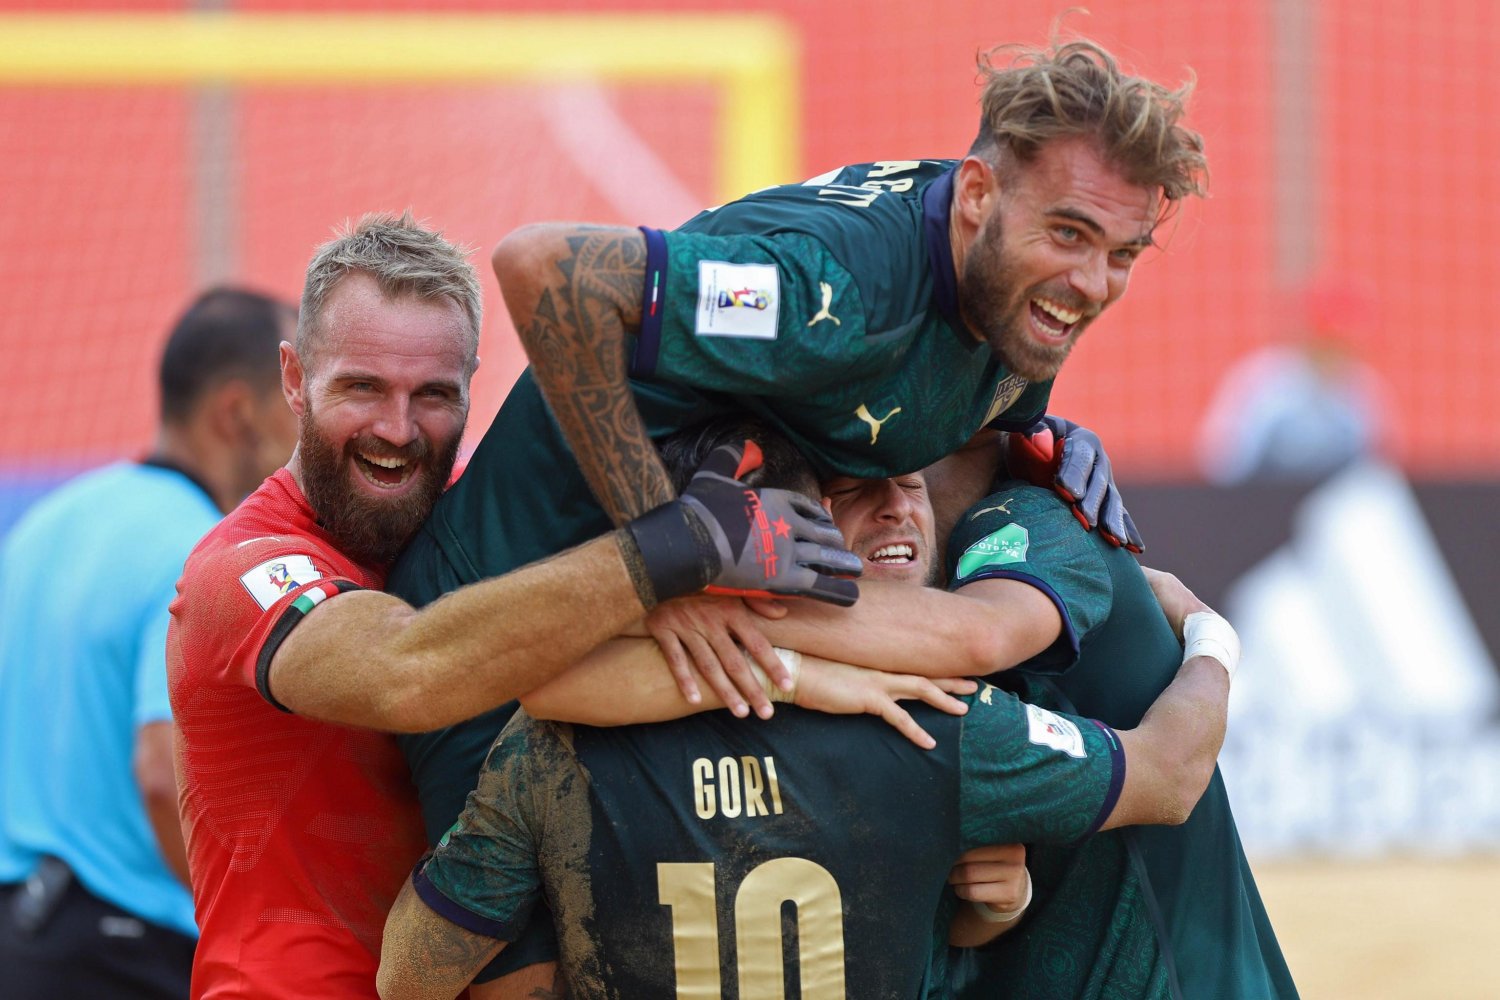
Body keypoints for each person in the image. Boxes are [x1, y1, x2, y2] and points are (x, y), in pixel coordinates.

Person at [385, 40, 1211, 947]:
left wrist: (1023, 456)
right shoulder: (829, 291)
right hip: (495, 632)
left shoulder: (1013, 294)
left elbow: (947, 435)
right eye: (1069, 234)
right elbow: (549, 270)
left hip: (677, 668)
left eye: (1123, 252)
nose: (1093, 283)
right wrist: (654, 552)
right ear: (977, 195)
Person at [166, 213, 854, 999]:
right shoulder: (239, 571)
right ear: (293, 378)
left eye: (432, 394)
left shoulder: (486, 537)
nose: (397, 429)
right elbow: (407, 672)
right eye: (362, 388)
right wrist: (672, 549)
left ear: (471, 385)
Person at [374, 422, 1238, 1000]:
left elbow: (409, 976)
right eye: (856, 492)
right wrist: (1211, 640)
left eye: (909, 484)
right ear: (789, 537)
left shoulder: (551, 746)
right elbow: (1167, 773)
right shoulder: (938, 722)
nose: (901, 503)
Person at [921, 426, 1299, 998]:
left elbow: (1167, 775)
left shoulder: (1017, 522)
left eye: (897, 477)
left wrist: (1213, 643)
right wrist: (1002, 907)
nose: (890, 507)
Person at [0, 288, 299, 999]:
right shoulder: (198, 550)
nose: (308, 431)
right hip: (120, 956)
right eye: (296, 398)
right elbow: (164, 778)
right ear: (237, 412)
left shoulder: (48, 521)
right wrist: (253, 933)